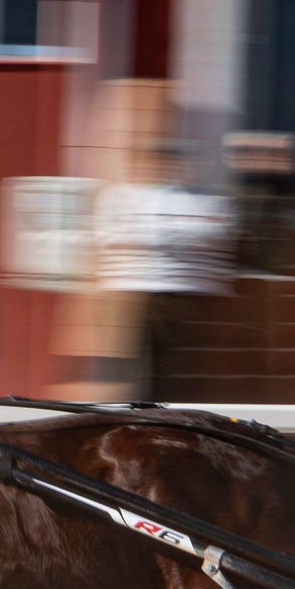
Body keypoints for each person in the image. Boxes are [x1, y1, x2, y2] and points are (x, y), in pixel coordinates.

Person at [91, 141, 233, 397]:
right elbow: (107, 235)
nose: (169, 168)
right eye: (162, 161)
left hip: (182, 290)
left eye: (176, 162)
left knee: (173, 364)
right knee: (123, 361)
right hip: (129, 289)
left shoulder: (207, 198)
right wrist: (176, 230)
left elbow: (215, 232)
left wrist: (149, 231)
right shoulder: (119, 195)